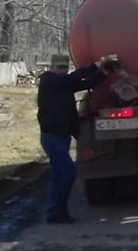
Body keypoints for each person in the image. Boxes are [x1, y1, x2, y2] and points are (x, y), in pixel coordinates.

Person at [38, 53, 122, 224]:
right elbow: (76, 77)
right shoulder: (49, 81)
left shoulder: (64, 84)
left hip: (62, 137)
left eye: (64, 68)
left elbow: (86, 83)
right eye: (59, 67)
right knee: (69, 172)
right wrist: (98, 63)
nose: (62, 71)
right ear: (51, 68)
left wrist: (104, 73)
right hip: (51, 137)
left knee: (57, 175)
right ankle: (60, 210)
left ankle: (53, 213)